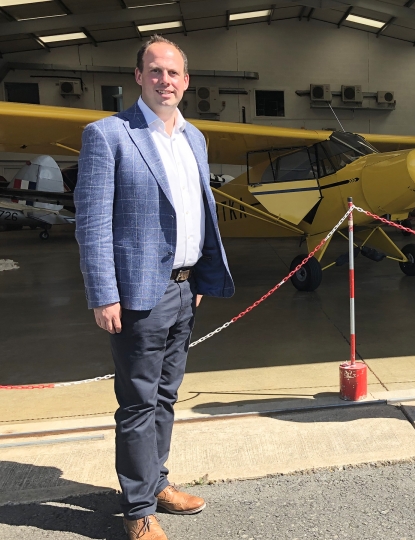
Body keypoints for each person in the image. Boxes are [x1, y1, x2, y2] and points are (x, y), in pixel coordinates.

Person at [75, 35, 234, 539]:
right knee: (139, 402)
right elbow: (93, 224)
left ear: (186, 82)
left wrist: (200, 275)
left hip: (186, 289)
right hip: (139, 295)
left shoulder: (194, 138)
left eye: (174, 73)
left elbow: (198, 213)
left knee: (165, 395)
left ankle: (156, 480)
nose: (166, 80)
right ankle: (138, 510)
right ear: (139, 77)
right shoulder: (109, 135)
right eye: (155, 71)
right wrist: (104, 293)